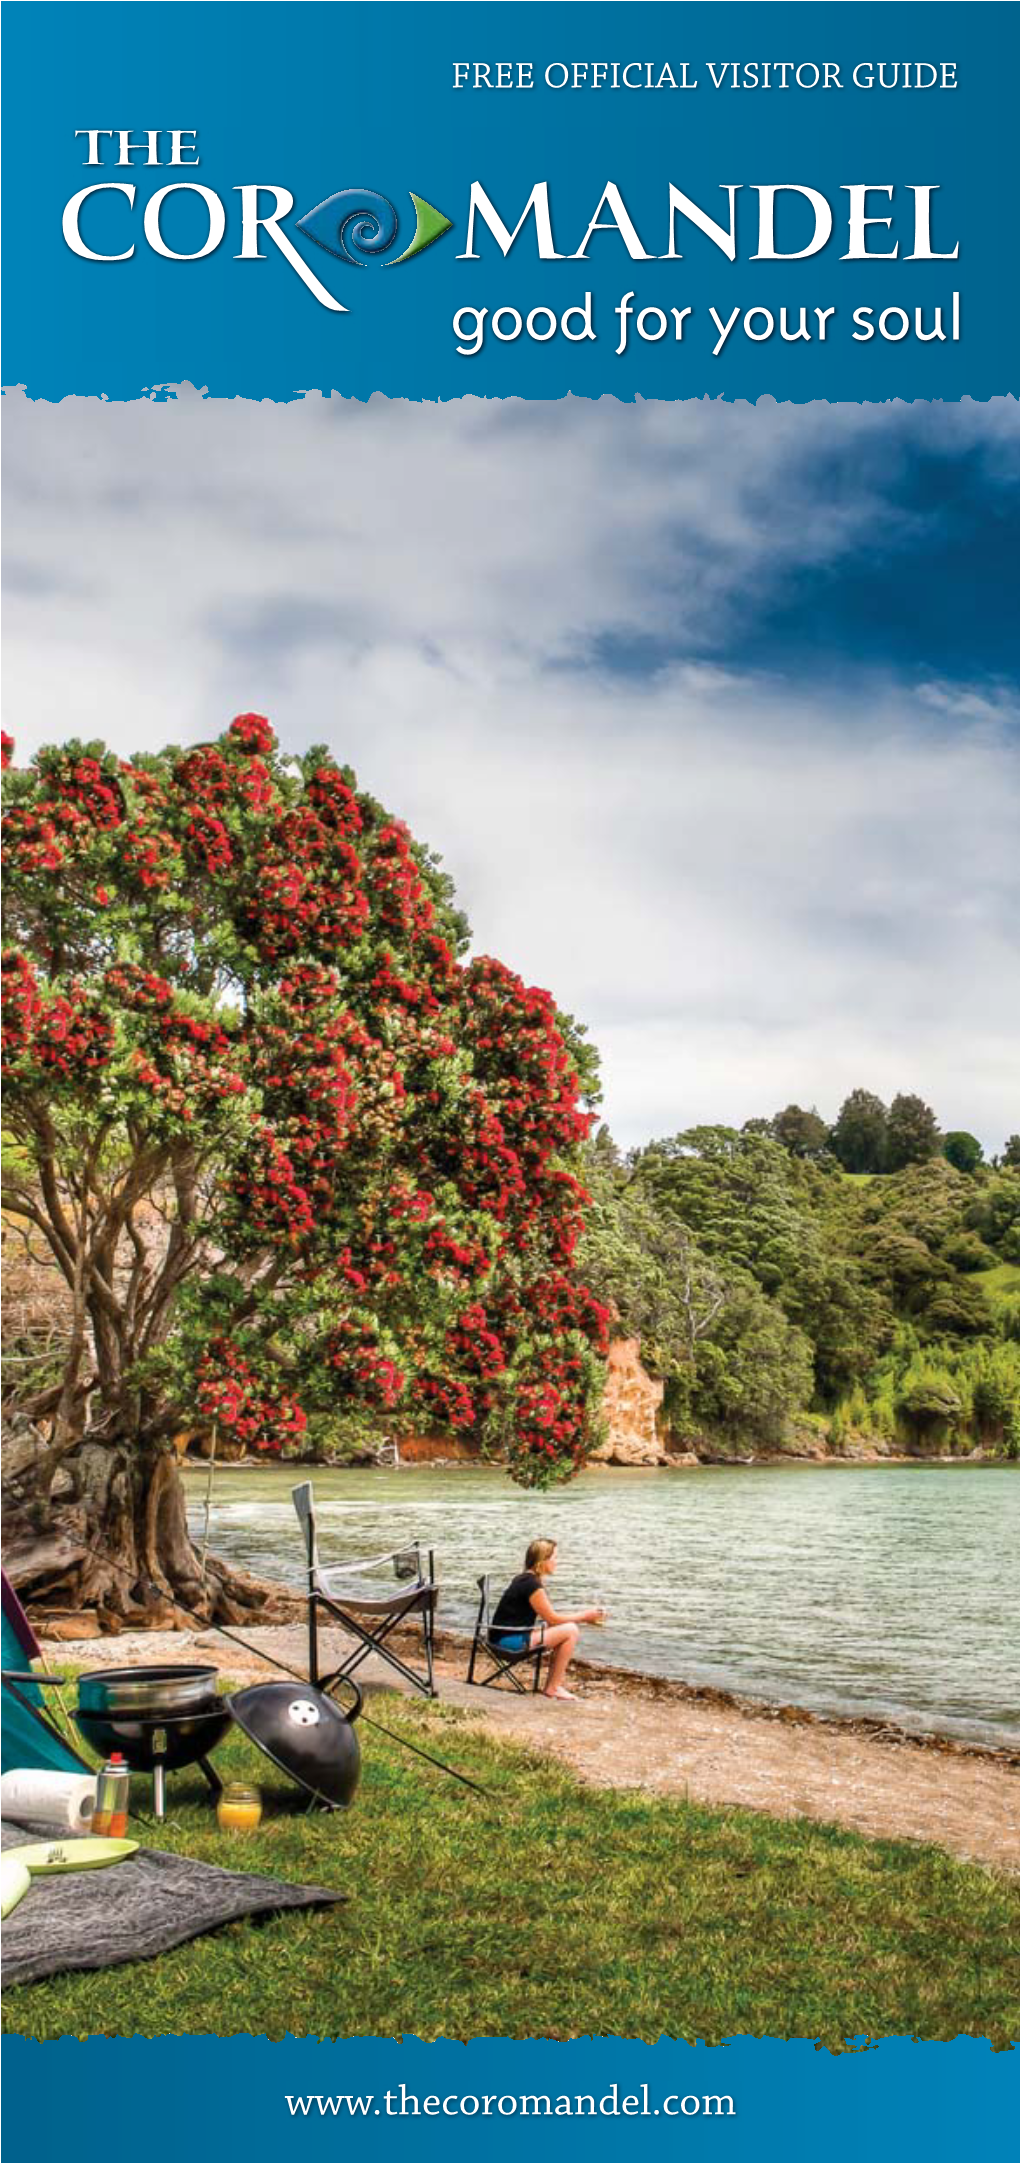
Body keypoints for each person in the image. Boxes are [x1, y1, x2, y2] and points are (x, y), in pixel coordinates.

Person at [489, 1537, 604, 1701]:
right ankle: (553, 1688)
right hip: (508, 1643)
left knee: (566, 1628)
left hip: (502, 1637)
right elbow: (553, 1619)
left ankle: (553, 1686)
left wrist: (577, 1618)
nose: (557, 1562)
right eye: (555, 1558)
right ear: (542, 1560)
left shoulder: (524, 1578)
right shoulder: (532, 1584)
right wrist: (585, 1616)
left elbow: (551, 1620)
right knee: (571, 1631)